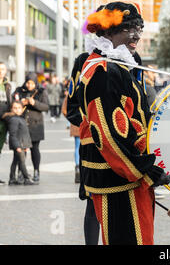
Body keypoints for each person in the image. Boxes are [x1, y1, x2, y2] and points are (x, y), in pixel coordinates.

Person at [77, 2, 169, 245]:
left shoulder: (117, 65)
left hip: (124, 175)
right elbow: (108, 132)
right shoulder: (104, 70)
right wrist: (144, 168)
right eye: (129, 29)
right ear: (108, 32)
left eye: (139, 28)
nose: (136, 35)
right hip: (119, 178)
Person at [66, 51, 100, 245]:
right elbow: (73, 107)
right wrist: (91, 128)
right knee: (93, 202)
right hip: (94, 147)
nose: (135, 35)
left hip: (127, 146)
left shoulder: (133, 59)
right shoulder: (83, 60)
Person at [13, 73, 49, 183]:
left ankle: (36, 171)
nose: (29, 85)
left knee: (35, 150)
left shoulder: (41, 91)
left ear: (35, 82)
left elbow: (46, 106)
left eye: (32, 83)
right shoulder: (19, 90)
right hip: (22, 125)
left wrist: (35, 103)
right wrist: (20, 102)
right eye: (28, 82)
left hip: (36, 125)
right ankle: (21, 172)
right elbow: (13, 103)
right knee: (21, 150)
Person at [3, 101, 36, 185]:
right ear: (11, 109)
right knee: (22, 162)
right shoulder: (14, 120)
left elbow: (24, 133)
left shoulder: (20, 118)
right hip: (18, 145)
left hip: (22, 144)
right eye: (15, 108)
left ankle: (12, 178)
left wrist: (27, 145)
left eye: (19, 108)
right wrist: (17, 146)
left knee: (15, 161)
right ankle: (26, 178)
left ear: (22, 109)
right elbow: (13, 135)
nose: (17, 110)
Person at [61, 92, 80, 183]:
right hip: (89, 125)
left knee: (77, 147)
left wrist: (72, 118)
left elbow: (64, 110)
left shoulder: (71, 93)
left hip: (76, 124)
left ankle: (77, 168)